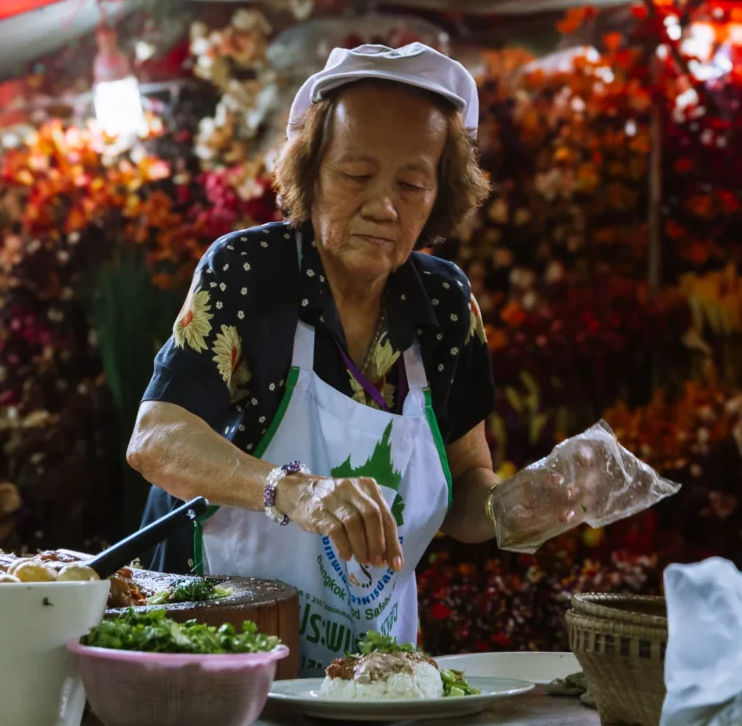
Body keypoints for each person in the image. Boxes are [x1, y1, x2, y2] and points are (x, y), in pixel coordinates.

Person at [128, 42, 498, 675]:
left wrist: (522, 507)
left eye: (412, 184)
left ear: (440, 196)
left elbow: (468, 485)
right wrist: (292, 490)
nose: (384, 206)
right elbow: (156, 439)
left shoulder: (446, 305)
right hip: (211, 650)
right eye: (356, 175)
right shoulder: (249, 273)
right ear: (311, 169)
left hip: (371, 677)